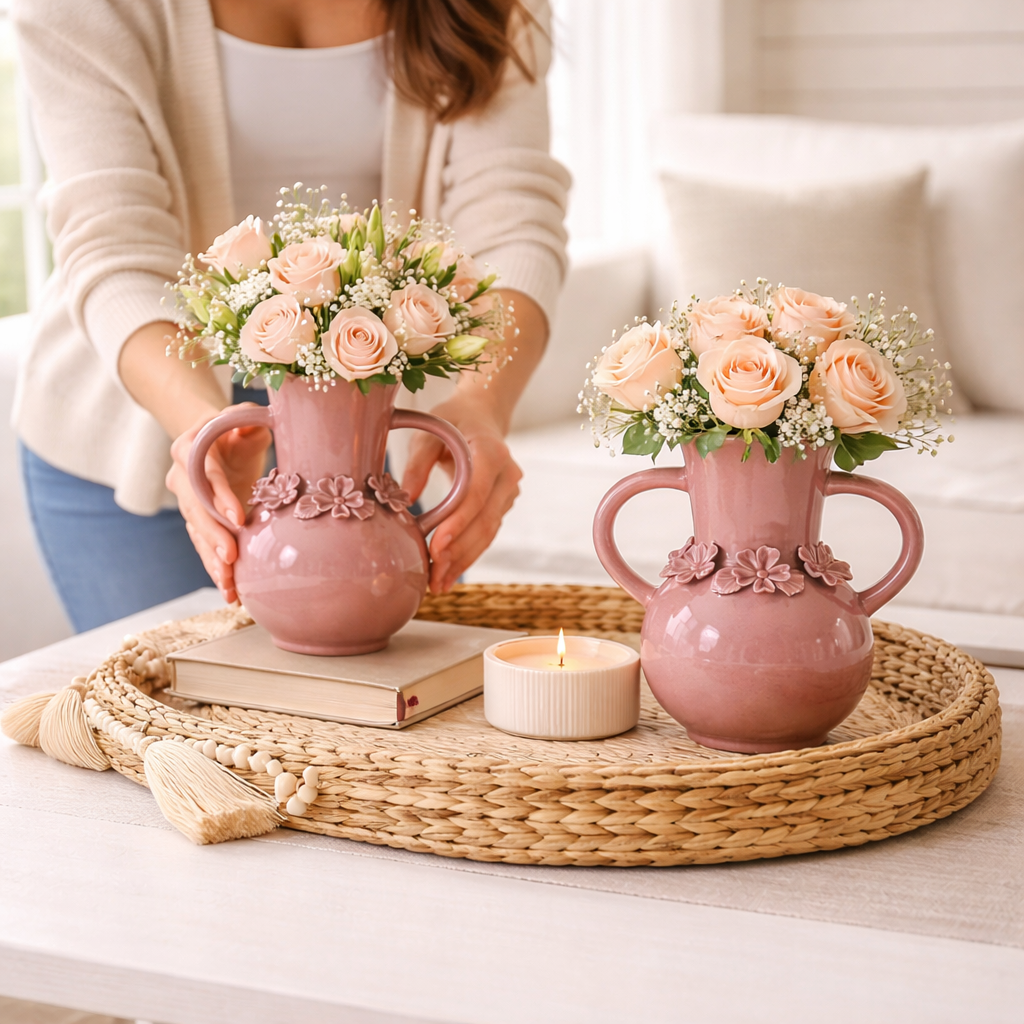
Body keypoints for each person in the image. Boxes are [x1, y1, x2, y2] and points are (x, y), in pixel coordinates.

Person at [12, 0, 569, 631]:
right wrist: (199, 425)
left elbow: (515, 222)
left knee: (384, 715)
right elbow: (112, 243)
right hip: (136, 419)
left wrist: (483, 403)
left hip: (367, 420)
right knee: (160, 714)